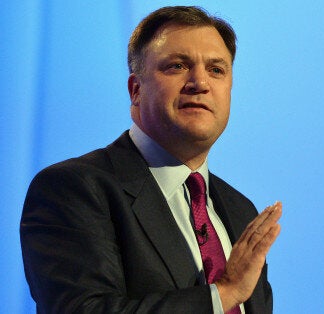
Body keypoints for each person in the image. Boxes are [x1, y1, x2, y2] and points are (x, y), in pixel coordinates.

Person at [20, 6, 281, 313]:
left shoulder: (240, 211)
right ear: (136, 90)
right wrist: (223, 294)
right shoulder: (74, 189)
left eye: (216, 70)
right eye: (177, 66)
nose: (200, 82)